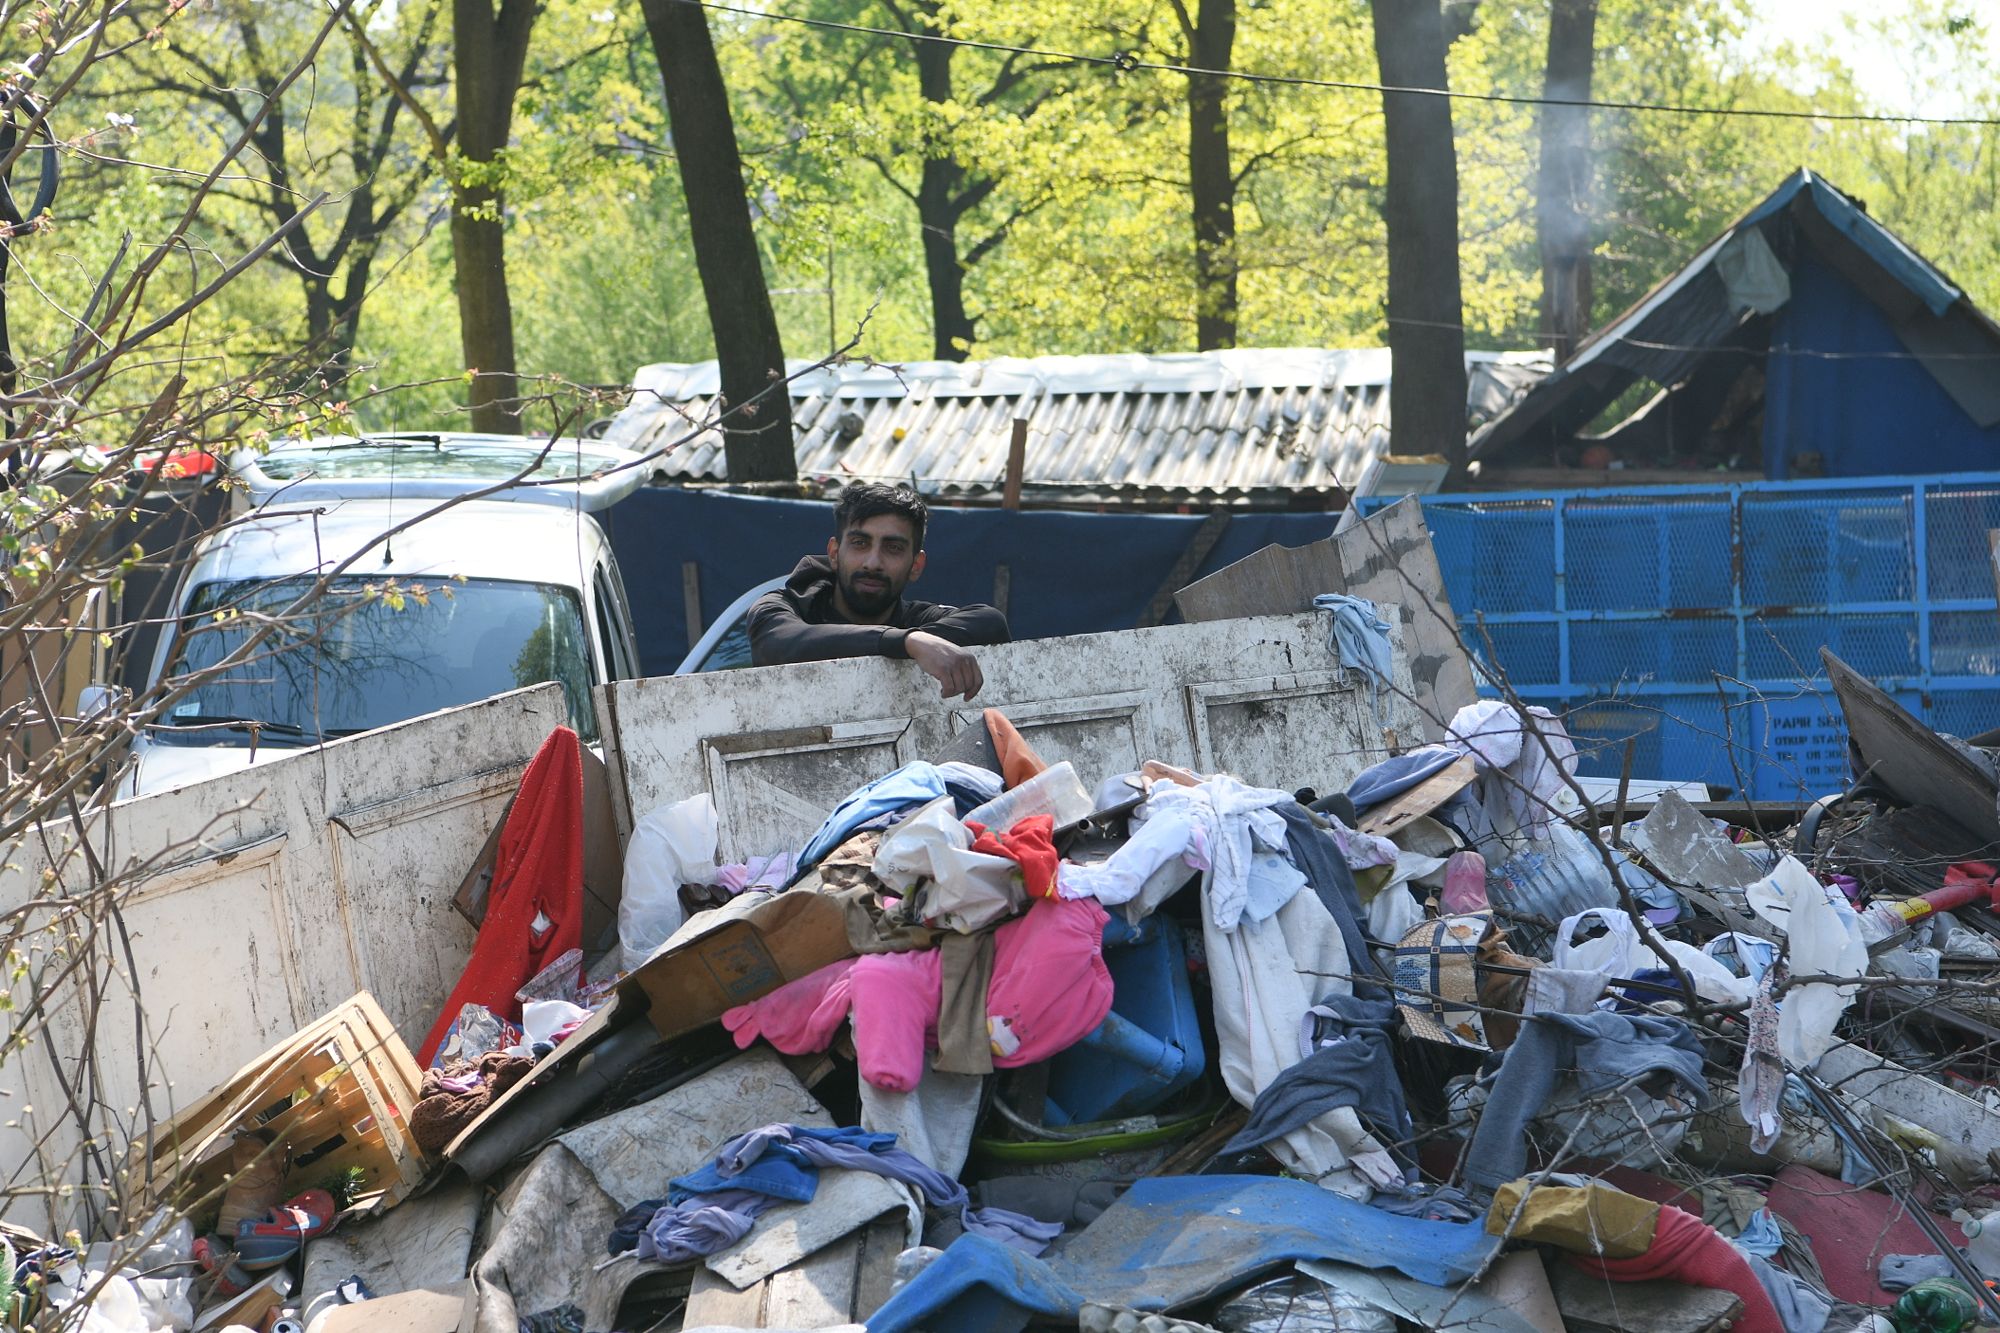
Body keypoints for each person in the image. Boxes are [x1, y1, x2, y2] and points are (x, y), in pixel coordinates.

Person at [749, 482, 1010, 699]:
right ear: (834, 553)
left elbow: (989, 622)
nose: (873, 562)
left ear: (916, 566)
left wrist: (909, 639)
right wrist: (908, 643)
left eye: (893, 548)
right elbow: (780, 645)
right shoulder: (781, 606)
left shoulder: (918, 620)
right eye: (860, 543)